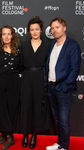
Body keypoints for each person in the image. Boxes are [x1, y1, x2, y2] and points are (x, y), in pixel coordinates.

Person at [46, 17, 81, 150]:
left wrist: (66, 85)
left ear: (64, 28)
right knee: (57, 118)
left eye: (57, 27)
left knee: (64, 120)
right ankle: (60, 143)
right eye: (52, 28)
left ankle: (65, 146)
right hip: (51, 87)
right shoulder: (53, 45)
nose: (54, 30)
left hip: (63, 88)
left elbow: (75, 69)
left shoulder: (72, 45)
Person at [0, 25, 22, 150]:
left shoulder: (18, 50)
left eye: (9, 34)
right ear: (1, 36)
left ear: (12, 35)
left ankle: (5, 134)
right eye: (4, 34)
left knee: (12, 110)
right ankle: (10, 135)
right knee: (1, 109)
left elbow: (22, 68)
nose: (6, 36)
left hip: (14, 82)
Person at [20, 16, 51, 149]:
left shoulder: (47, 45)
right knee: (25, 107)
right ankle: (25, 135)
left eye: (37, 29)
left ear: (41, 30)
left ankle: (34, 134)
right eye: (32, 29)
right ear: (29, 31)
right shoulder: (24, 45)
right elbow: (20, 63)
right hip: (27, 77)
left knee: (38, 107)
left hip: (40, 77)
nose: (34, 32)